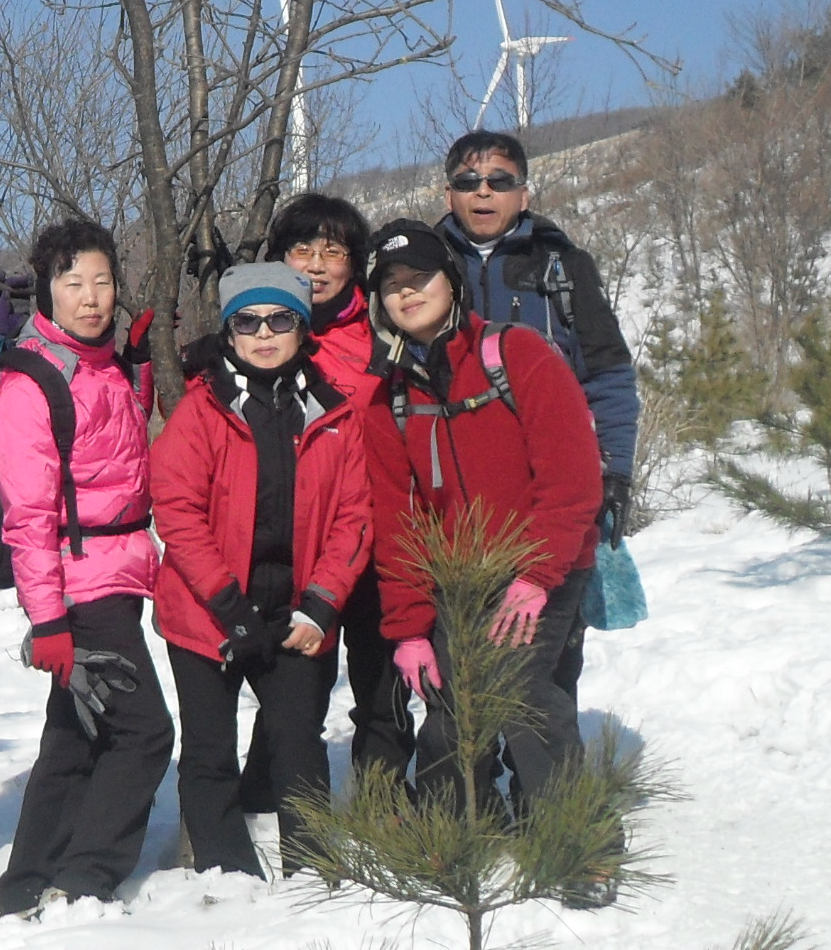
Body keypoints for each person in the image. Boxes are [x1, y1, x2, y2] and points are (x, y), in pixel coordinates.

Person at [358, 220, 603, 860]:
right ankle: (457, 840)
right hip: (460, 576)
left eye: (420, 278)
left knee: (521, 690)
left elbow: (574, 478)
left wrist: (536, 575)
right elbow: (398, 525)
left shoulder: (516, 355)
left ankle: (577, 847)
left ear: (452, 281)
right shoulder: (390, 400)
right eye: (391, 286)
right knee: (447, 707)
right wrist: (410, 629)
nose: (407, 294)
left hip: (541, 565)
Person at [152, 261, 374, 880]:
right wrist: (231, 610)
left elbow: (354, 517)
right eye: (247, 321)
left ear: (302, 327)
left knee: (299, 741)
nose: (264, 333)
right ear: (229, 333)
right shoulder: (200, 413)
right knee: (209, 747)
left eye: (280, 318)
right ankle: (225, 874)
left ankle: (313, 869)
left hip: (296, 610)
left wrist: (322, 605)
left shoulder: (333, 411)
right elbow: (177, 512)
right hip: (207, 614)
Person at [0, 217, 174, 918]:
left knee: (73, 737)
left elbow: (118, 448)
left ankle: (24, 884)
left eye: (102, 281)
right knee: (144, 732)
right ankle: (88, 876)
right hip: (79, 586)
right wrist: (49, 621)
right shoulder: (31, 382)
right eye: (74, 283)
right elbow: (29, 518)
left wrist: (141, 363)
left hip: (119, 572)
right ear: (47, 290)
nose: (92, 297)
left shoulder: (103, 362)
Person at [435, 129, 641, 708]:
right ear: (447, 192)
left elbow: (609, 378)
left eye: (500, 181)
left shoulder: (564, 268)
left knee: (546, 672)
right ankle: (477, 795)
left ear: (523, 194)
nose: (483, 193)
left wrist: (615, 471)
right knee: (460, 675)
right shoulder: (424, 267)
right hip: (454, 501)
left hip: (550, 497)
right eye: (467, 182)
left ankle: (544, 796)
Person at [253, 191, 414, 786]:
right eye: (302, 249)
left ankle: (383, 797)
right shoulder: (256, 337)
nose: (317, 265)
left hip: (375, 538)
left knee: (380, 678)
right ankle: (268, 796)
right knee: (295, 685)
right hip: (294, 541)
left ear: (355, 264)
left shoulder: (384, 339)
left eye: (333, 251)